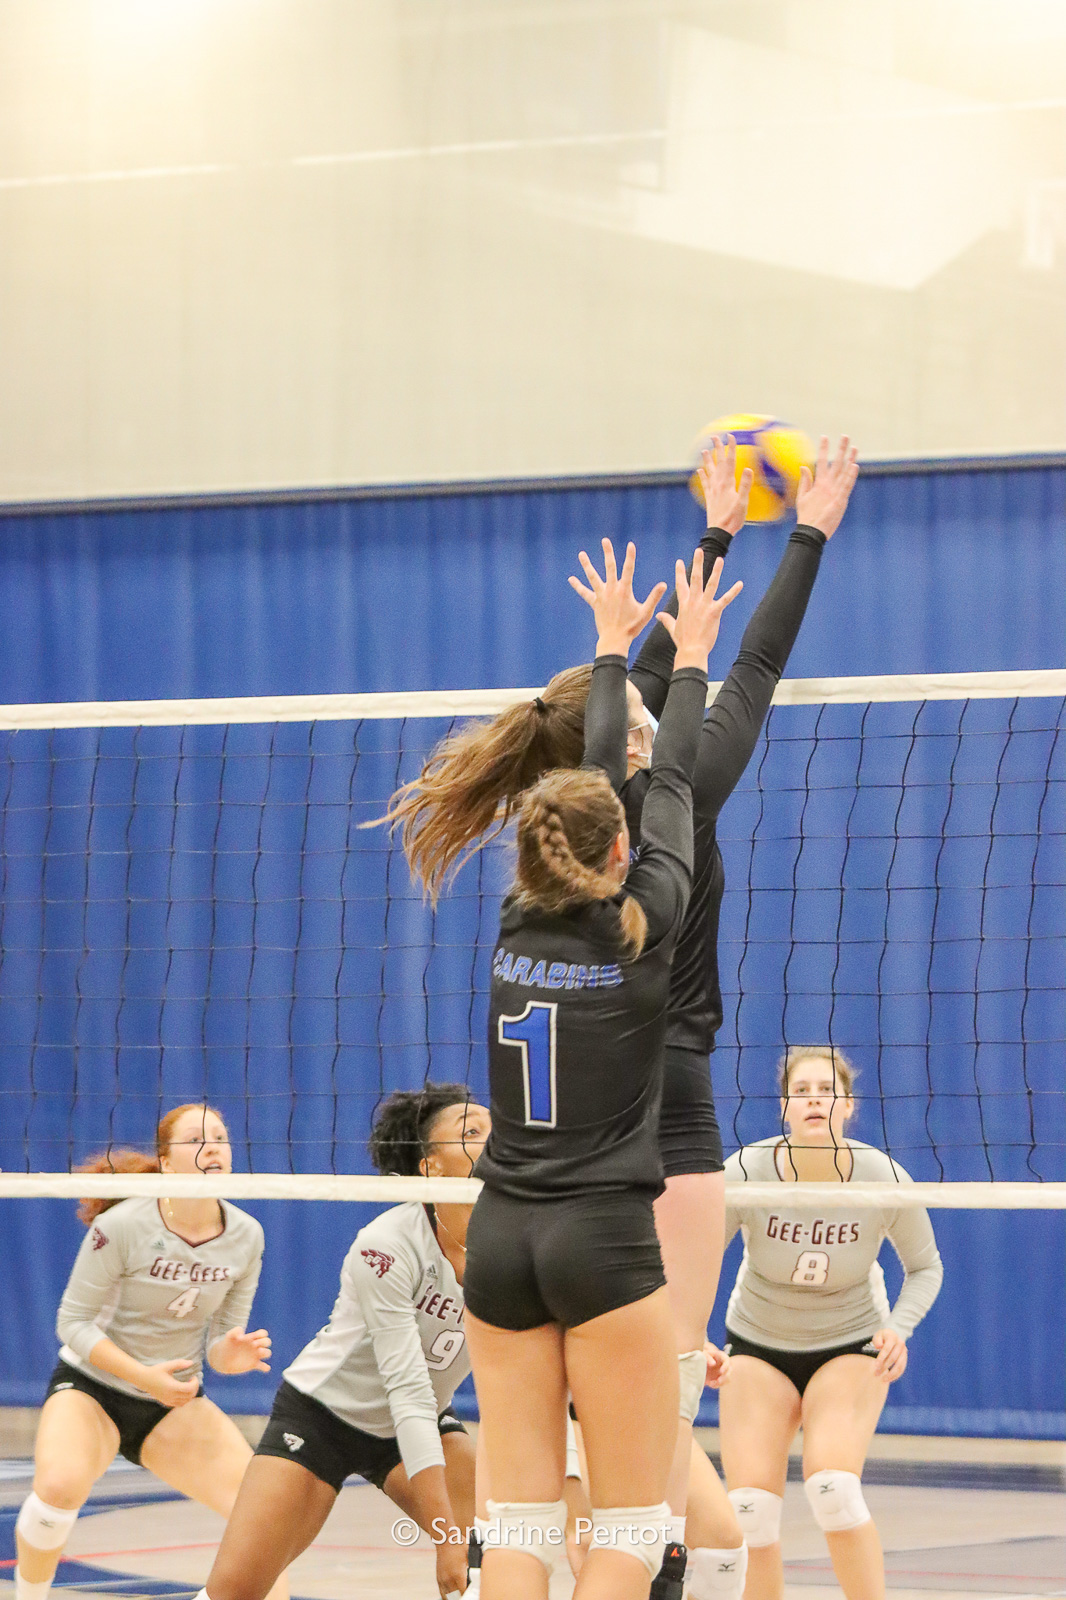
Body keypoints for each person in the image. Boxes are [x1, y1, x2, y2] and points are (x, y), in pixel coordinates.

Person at [383, 434, 861, 1599]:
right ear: (623, 776)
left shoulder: (532, 883)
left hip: (523, 1207)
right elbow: (742, 676)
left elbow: (621, 707)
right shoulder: (672, 819)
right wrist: (804, 533)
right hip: (663, 1135)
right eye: (642, 723)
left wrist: (708, 536)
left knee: (548, 1495)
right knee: (645, 1486)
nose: (648, 723)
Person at [463, 536, 742, 1600]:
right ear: (622, 849)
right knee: (631, 1524)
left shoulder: (510, 920)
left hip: (499, 1238)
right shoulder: (648, 928)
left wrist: (615, 647)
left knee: (520, 1523)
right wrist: (685, 653)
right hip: (601, 1239)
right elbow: (661, 770)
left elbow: (606, 774)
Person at [196, 1083, 490, 1600]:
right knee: (234, 1592)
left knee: (493, 1559)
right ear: (430, 1167)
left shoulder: (516, 1242)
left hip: (420, 1424)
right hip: (325, 1416)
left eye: (495, 1129)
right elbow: (407, 1391)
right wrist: (446, 1539)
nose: (494, 1141)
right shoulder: (387, 1245)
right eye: (471, 1134)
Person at [14, 1104, 283, 1600]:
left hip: (173, 1402)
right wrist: (144, 1374)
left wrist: (232, 1354)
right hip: (93, 1390)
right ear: (165, 1160)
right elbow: (70, 1324)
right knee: (59, 1490)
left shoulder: (246, 1235)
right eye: (197, 1140)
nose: (213, 1149)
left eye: (221, 1138)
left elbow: (223, 1345)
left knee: (265, 1522)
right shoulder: (122, 1226)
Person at [713, 1047, 943, 1600]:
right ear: (785, 1108)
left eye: (828, 1090)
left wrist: (900, 1328)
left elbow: (925, 1268)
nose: (815, 1098)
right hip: (757, 1343)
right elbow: (691, 1263)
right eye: (803, 1090)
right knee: (750, 1513)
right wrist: (690, 1337)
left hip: (850, 1343)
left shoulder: (881, 1175)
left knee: (833, 1489)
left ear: (848, 1107)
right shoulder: (747, 1170)